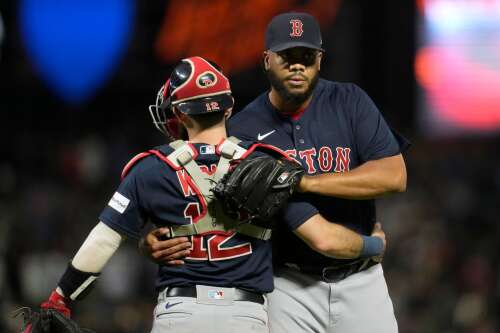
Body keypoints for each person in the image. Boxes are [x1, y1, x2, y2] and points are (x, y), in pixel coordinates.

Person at [33, 56, 388, 333]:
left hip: (181, 312)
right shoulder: (268, 165)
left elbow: (102, 241)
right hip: (246, 315)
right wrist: (374, 245)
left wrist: (61, 296)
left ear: (179, 113)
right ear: (228, 107)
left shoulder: (151, 168)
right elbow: (322, 238)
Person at [142, 12, 409, 333]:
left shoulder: (349, 101)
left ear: (320, 60)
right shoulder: (242, 130)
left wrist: (305, 182)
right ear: (266, 59)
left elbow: (394, 176)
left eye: (307, 56)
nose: (298, 65)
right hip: (286, 285)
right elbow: (202, 202)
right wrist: (157, 240)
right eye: (287, 56)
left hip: (361, 279)